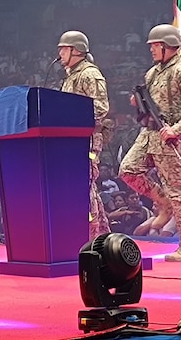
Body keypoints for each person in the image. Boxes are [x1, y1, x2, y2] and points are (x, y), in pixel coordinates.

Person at [120, 24, 181, 262]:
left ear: (168, 46)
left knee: (177, 190)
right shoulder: (153, 73)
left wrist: (176, 129)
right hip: (150, 133)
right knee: (128, 171)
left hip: (174, 139)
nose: (151, 50)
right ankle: (162, 203)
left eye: (155, 46)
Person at [57, 30, 112, 239]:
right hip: (73, 140)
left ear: (76, 50)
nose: (60, 54)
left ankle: (89, 236)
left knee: (84, 184)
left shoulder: (89, 74)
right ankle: (102, 234)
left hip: (86, 140)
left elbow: (100, 108)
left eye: (63, 49)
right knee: (87, 185)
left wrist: (75, 121)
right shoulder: (72, 75)